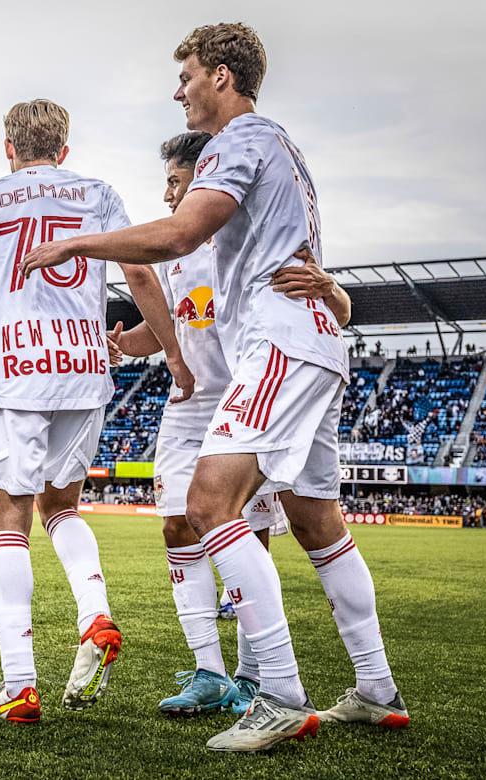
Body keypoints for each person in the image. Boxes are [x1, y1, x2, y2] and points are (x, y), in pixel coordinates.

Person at [21, 23, 405, 751]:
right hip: (312, 345)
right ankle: (376, 689)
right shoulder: (282, 144)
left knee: (207, 504)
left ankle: (280, 696)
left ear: (222, 76)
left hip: (279, 345)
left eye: (188, 75)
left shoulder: (238, 140)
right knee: (319, 524)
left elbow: (179, 235)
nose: (180, 90)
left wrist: (74, 243)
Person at [0, 98, 185, 723]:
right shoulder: (99, 194)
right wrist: (173, 355)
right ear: (65, 147)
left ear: (8, 147)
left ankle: (18, 683)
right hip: (84, 371)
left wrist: (12, 338)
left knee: (8, 523)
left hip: (17, 374)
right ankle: (94, 613)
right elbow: (140, 279)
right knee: (63, 508)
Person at [110, 130, 345, 716]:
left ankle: (253, 673)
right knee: (176, 528)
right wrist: (128, 343)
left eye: (174, 180)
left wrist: (334, 289)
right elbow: (166, 330)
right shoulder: (175, 256)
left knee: (251, 534)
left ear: (206, 174)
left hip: (245, 397)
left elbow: (328, 305)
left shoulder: (247, 240)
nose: (168, 194)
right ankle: (208, 673)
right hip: (187, 408)